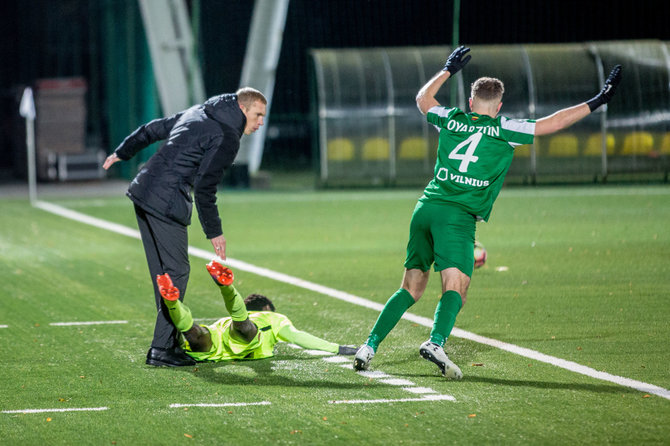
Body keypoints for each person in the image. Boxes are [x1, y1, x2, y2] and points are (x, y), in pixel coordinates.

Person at [353, 46, 622, 379]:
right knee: (456, 286)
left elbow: (423, 99)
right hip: (458, 217)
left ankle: (369, 346)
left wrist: (447, 69)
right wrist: (597, 101)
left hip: (426, 207)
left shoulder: (451, 118)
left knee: (410, 288)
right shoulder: (506, 129)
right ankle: (436, 342)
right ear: (499, 106)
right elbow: (552, 123)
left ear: (470, 102)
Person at [102, 88, 267, 367]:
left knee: (165, 277)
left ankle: (170, 343)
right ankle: (161, 349)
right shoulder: (227, 136)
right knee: (177, 271)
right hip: (165, 200)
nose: (261, 122)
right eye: (258, 114)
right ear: (243, 108)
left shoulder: (198, 111)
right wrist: (214, 231)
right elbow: (205, 187)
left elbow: (152, 129)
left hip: (143, 191)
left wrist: (123, 152)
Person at [155, 260, 357, 362]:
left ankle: (172, 302)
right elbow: (297, 336)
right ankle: (226, 288)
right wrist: (337, 348)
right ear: (267, 308)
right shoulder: (273, 317)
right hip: (245, 337)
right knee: (245, 328)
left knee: (196, 335)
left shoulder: (230, 320)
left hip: (219, 335)